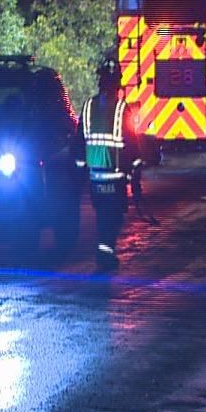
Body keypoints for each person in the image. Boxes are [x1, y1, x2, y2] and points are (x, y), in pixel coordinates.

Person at [81, 49, 139, 272]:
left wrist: (79, 166)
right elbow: (132, 142)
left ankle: (105, 252)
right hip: (115, 178)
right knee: (112, 217)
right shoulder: (123, 109)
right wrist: (135, 167)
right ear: (118, 83)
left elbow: (79, 140)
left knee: (102, 215)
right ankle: (105, 254)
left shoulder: (87, 107)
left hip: (95, 176)